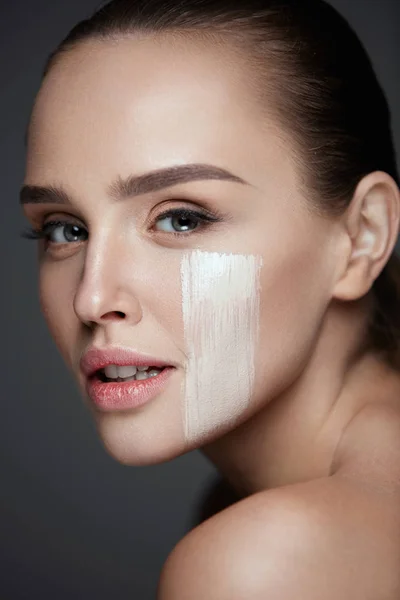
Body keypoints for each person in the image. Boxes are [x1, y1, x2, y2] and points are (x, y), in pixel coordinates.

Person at [20, 0, 400, 597]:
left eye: (180, 220)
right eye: (64, 229)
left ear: (360, 239)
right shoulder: (271, 503)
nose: (92, 299)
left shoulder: (269, 562)